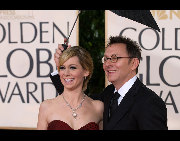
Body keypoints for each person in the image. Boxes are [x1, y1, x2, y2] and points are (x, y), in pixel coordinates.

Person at [51, 36, 168, 130]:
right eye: (105, 59)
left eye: (114, 58)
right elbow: (75, 102)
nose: (108, 64)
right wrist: (61, 64)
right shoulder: (108, 93)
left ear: (134, 63)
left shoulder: (149, 102)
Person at [37, 46, 104, 130]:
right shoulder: (46, 107)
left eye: (72, 67)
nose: (66, 73)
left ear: (86, 71)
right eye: (62, 68)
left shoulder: (98, 108)